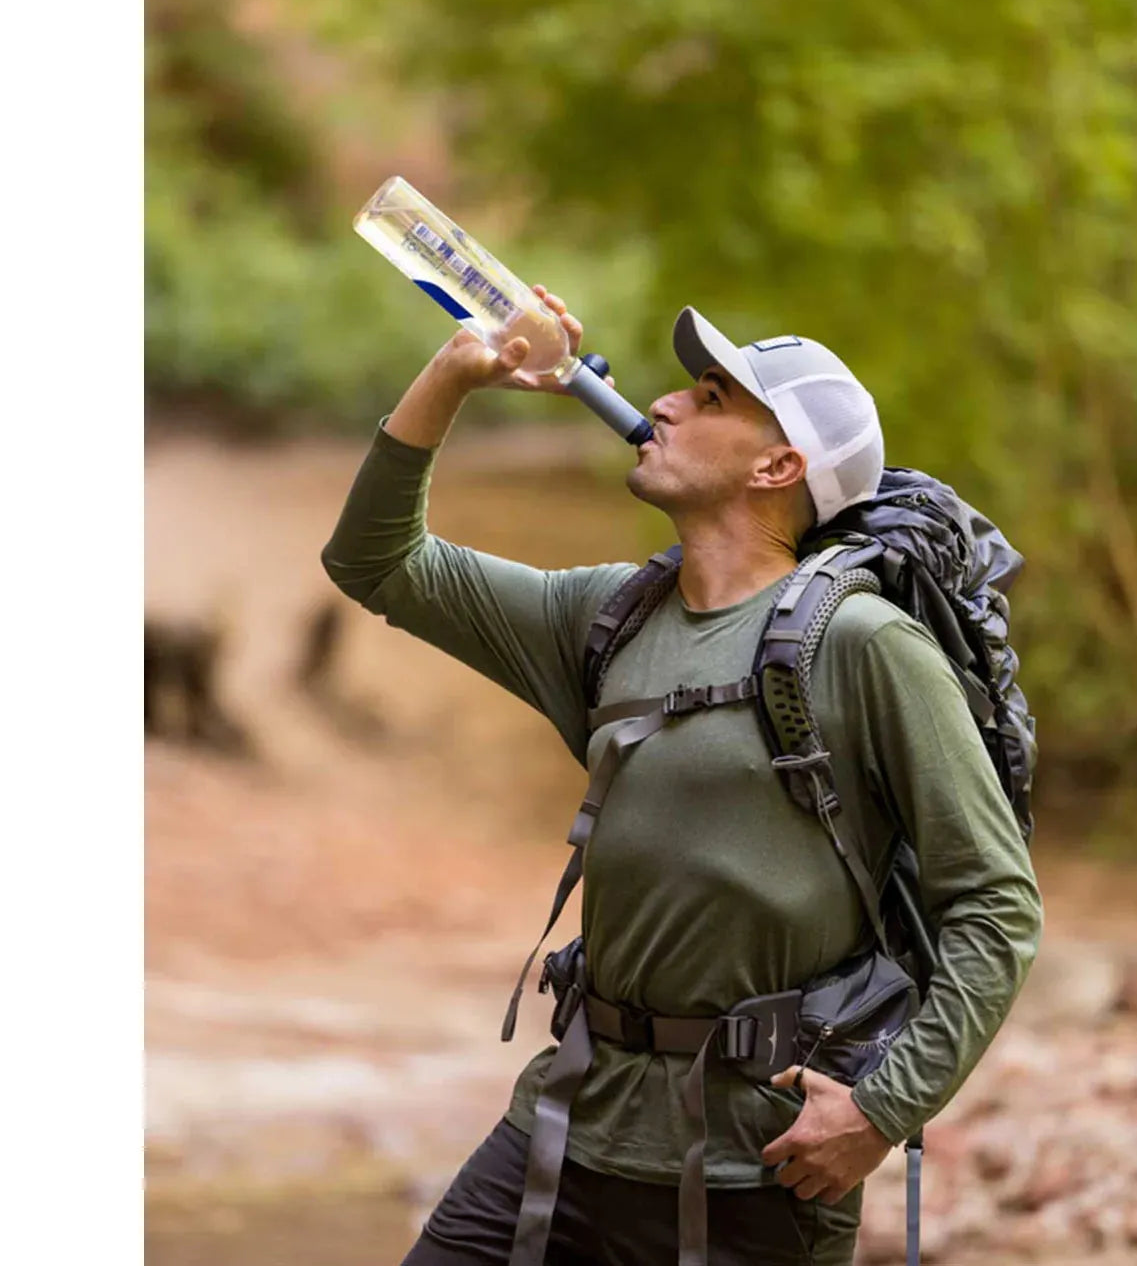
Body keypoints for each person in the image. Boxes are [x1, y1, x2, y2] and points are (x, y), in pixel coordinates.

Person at [321, 287, 1043, 1266]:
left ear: (777, 466)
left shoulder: (865, 644)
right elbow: (374, 561)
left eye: (709, 398)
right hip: (568, 1127)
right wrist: (454, 375)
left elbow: (995, 904)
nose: (663, 402)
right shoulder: (606, 614)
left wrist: (881, 1111)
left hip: (763, 1166)